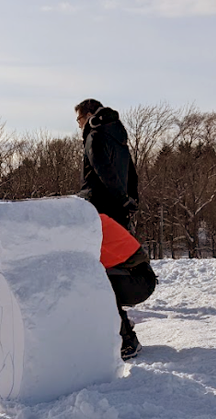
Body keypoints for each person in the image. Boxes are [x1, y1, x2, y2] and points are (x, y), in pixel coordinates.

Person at [75, 99, 140, 230]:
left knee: (100, 249)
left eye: (79, 119)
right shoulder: (119, 137)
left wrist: (123, 199)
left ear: (88, 116)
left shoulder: (94, 137)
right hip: (120, 211)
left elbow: (104, 171)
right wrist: (131, 200)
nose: (79, 125)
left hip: (99, 209)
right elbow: (131, 173)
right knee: (120, 247)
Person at [100, 213, 157, 359]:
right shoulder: (89, 218)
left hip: (139, 280)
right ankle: (119, 328)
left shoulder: (89, 224)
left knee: (96, 284)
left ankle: (127, 342)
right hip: (135, 276)